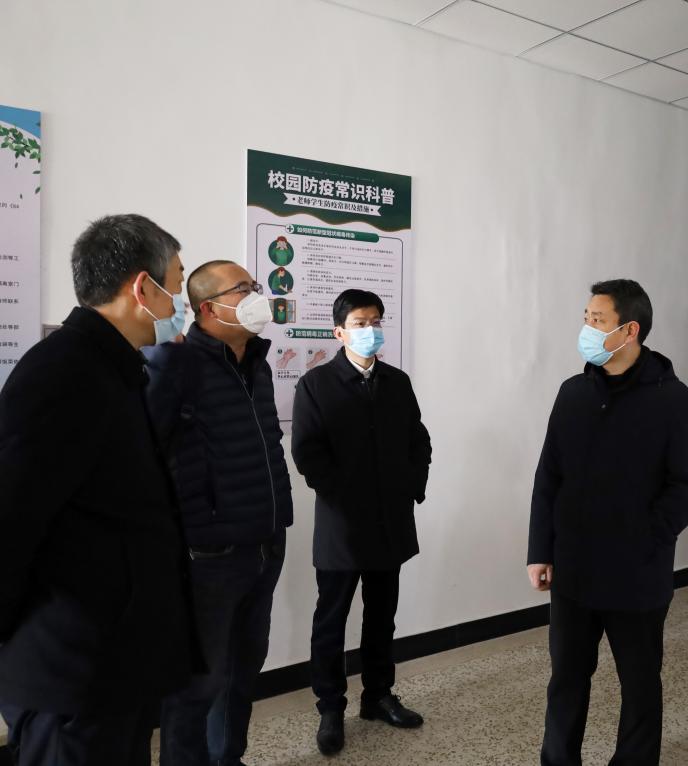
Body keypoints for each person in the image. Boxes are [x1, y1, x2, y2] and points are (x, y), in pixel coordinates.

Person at [0, 214, 196, 766]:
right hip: (70, 670)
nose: (179, 304)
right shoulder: (62, 371)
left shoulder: (116, 367)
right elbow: (10, 515)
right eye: (176, 287)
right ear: (143, 288)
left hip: (114, 660)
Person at [528, 279, 688, 766]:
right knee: (567, 678)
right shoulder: (573, 393)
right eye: (586, 318)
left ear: (630, 330)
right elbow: (549, 476)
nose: (587, 328)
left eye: (597, 320)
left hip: (637, 574)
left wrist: (646, 537)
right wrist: (540, 550)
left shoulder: (676, 401)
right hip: (573, 569)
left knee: (640, 684)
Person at [145, 261, 293, 766]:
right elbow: (148, 455)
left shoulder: (259, 363)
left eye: (255, 286)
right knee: (197, 684)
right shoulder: (175, 365)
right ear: (208, 308)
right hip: (209, 554)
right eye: (243, 289)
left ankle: (227, 758)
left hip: (266, 541)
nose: (256, 295)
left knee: (243, 672)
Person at [291, 289, 432, 756]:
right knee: (330, 621)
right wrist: (346, 499)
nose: (369, 329)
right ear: (339, 332)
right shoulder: (315, 384)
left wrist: (411, 486)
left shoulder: (397, 382)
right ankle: (330, 707)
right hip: (342, 527)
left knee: (381, 616)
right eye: (358, 323)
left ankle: (378, 696)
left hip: (390, 521)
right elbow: (308, 454)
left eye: (375, 321)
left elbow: (418, 441)